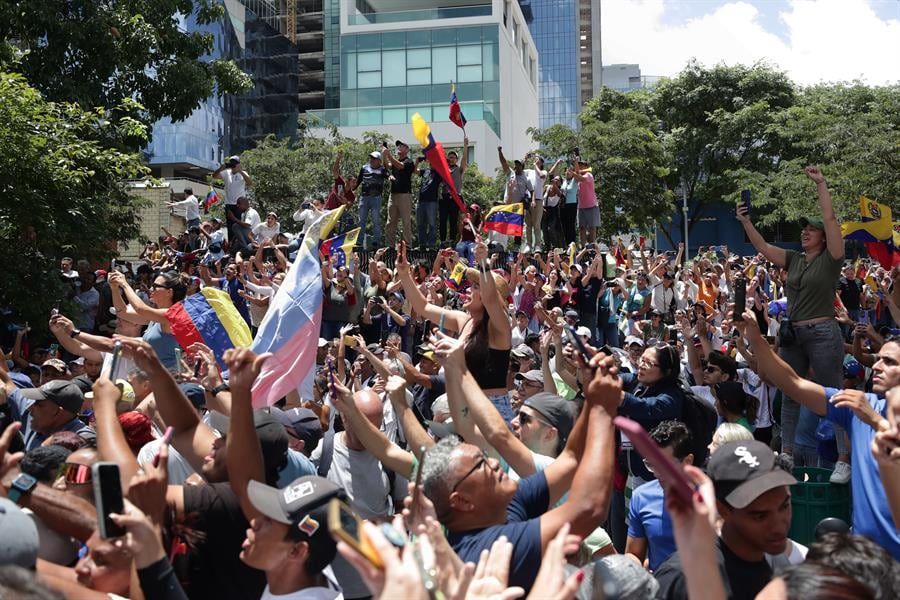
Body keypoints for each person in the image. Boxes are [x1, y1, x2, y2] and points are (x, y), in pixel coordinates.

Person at [420, 349, 620, 592]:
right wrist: (604, 410)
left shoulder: (499, 505)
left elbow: (570, 459)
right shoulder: (490, 549)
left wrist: (592, 395)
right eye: (480, 465)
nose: (493, 463)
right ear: (461, 500)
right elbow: (589, 506)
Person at [735, 313, 900, 559]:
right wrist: (756, 338)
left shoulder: (865, 410)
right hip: (866, 561)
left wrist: (875, 422)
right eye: (878, 359)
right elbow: (793, 384)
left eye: (889, 362)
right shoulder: (860, 405)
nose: (875, 365)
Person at [737, 166, 849, 483]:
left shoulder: (833, 258)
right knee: (789, 391)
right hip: (794, 333)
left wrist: (821, 185)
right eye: (803, 230)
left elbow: (829, 219)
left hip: (823, 333)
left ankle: (843, 458)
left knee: (832, 395)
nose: (805, 233)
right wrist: (746, 221)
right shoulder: (794, 259)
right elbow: (761, 248)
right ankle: (785, 452)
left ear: (825, 238)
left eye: (811, 230)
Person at [654, 440, 796, 600]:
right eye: (760, 516)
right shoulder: (682, 578)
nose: (778, 526)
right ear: (722, 509)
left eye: (784, 507)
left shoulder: (777, 562)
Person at [396, 240, 514, 422]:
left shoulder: (500, 327)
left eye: (475, 287)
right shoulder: (463, 320)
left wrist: (483, 264)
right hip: (465, 405)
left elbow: (491, 300)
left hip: (492, 409)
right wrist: (405, 275)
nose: (467, 289)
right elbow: (423, 306)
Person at [625, 420, 693, 572]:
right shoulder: (640, 497)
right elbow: (633, 553)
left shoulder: (710, 499)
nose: (657, 473)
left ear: (688, 461)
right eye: (652, 464)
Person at [382, 140, 415, 247]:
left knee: (405, 222)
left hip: (405, 195)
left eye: (401, 146)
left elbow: (400, 166)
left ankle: (408, 247)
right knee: (390, 222)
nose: (399, 147)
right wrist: (384, 155)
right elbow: (387, 165)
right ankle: (389, 246)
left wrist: (389, 155)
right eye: (398, 146)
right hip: (393, 195)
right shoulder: (395, 162)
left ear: (407, 149)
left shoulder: (409, 162)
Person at [354, 150, 388, 250]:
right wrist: (353, 189)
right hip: (364, 198)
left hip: (376, 198)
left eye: (374, 158)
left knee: (376, 220)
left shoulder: (382, 169)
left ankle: (376, 242)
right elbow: (359, 180)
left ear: (379, 161)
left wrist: (390, 177)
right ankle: (359, 242)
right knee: (361, 221)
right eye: (371, 158)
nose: (372, 160)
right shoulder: (364, 168)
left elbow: (387, 175)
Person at [439, 139, 467, 246]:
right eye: (449, 157)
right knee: (442, 220)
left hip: (455, 198)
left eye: (453, 157)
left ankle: (452, 241)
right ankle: (442, 241)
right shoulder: (444, 169)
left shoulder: (459, 170)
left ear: (456, 159)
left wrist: (465, 146)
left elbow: (464, 161)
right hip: (444, 197)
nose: (451, 159)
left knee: (453, 220)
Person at [213, 155, 253, 230]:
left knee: (239, 225)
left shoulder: (243, 173)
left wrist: (240, 171)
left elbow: (250, 182)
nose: (233, 165)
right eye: (231, 163)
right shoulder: (226, 172)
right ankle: (231, 241)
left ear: (238, 164)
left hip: (240, 205)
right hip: (229, 204)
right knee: (230, 226)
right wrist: (221, 168)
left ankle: (239, 241)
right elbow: (214, 176)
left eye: (235, 163)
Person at [414, 155, 442, 250]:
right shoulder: (425, 171)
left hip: (432, 202)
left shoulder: (439, 173)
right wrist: (417, 161)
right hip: (421, 201)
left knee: (432, 224)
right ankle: (422, 244)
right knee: (421, 224)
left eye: (433, 161)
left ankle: (432, 245)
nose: (431, 163)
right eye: (430, 161)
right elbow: (415, 171)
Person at [571, 160, 599, 245]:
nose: (579, 166)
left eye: (581, 165)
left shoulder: (589, 175)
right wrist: (575, 171)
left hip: (591, 205)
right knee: (582, 228)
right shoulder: (577, 177)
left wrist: (573, 172)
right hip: (581, 206)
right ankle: (583, 247)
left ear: (586, 166)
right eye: (578, 165)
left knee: (592, 228)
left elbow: (581, 178)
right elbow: (577, 177)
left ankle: (592, 246)